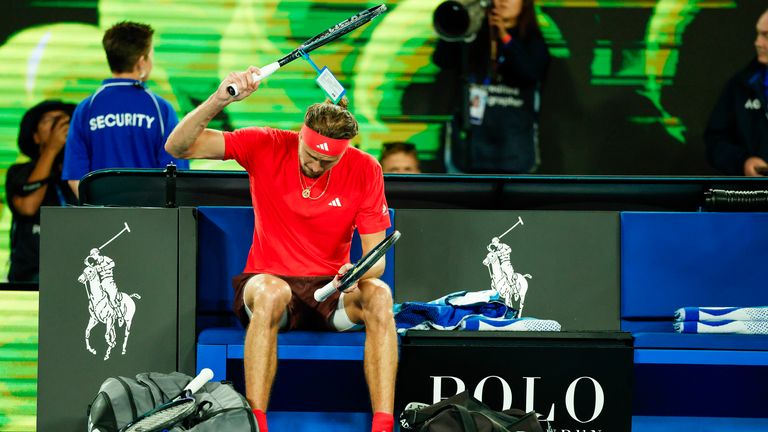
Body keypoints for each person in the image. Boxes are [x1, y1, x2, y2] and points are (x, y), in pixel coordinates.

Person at [164, 67, 397, 432]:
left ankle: (383, 425)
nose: (315, 165)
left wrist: (355, 272)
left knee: (380, 294)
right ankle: (256, 423)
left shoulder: (366, 169)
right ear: (300, 136)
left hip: (331, 294)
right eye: (310, 154)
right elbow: (178, 147)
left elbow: (376, 261)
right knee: (273, 291)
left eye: (327, 161)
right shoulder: (265, 145)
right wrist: (220, 99)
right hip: (268, 288)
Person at [62, 21, 189, 197]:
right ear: (141, 62)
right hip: (151, 219)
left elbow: (75, 177)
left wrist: (96, 211)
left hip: (100, 218)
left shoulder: (86, 108)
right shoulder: (160, 109)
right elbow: (175, 175)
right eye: (151, 55)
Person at [433, 0, 549, 174]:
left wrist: (504, 36)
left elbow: (531, 72)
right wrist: (463, 18)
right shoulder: (472, 34)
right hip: (470, 149)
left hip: (515, 148)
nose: (503, 1)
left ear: (525, 3)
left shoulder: (531, 39)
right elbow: (442, 59)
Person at [5, 100, 78, 282]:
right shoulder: (19, 172)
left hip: (72, 275)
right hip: (28, 275)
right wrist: (52, 147)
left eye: (63, 121)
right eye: (48, 121)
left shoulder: (78, 175)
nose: (57, 126)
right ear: (35, 136)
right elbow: (27, 206)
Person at [704, 9, 768, 176]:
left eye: (766, 35)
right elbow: (715, 141)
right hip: (755, 196)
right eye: (758, 34)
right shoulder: (741, 85)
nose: (757, 42)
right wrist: (743, 162)